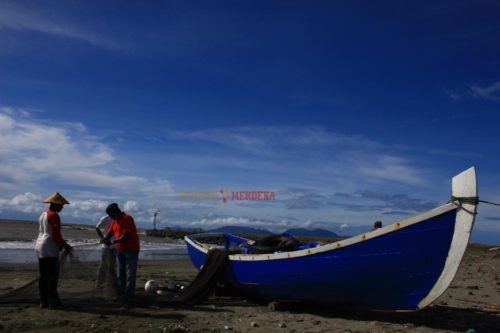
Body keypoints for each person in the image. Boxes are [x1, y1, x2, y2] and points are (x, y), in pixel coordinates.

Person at [35, 192, 72, 309]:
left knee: (43, 275)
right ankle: (53, 301)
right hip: (49, 247)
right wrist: (65, 245)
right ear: (55, 204)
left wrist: (61, 244)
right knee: (52, 275)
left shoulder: (43, 214)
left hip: (39, 245)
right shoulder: (54, 215)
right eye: (61, 205)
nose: (62, 207)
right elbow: (56, 235)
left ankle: (43, 301)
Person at [101, 203, 140, 304]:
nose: (111, 217)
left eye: (111, 215)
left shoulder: (127, 218)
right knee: (121, 273)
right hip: (121, 250)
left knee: (130, 274)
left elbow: (126, 236)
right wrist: (105, 239)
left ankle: (129, 296)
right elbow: (110, 232)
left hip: (131, 249)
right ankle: (121, 294)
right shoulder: (115, 220)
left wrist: (113, 242)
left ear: (116, 212)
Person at [95, 215, 117, 290]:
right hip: (106, 246)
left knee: (112, 265)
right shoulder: (105, 218)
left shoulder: (118, 219)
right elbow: (97, 228)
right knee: (103, 264)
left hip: (115, 245)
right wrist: (103, 238)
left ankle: (112, 283)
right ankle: (99, 283)